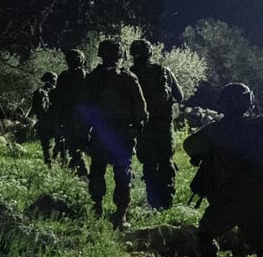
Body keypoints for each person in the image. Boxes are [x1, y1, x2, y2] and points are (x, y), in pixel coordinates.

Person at [183, 83, 263, 257]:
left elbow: (189, 146)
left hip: (228, 197)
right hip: (257, 195)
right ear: (248, 102)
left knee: (205, 234)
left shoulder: (218, 130)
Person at [82, 39, 148, 229]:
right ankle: (121, 216)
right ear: (121, 55)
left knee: (97, 171)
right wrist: (137, 128)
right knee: (123, 173)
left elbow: (85, 109)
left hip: (100, 132)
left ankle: (97, 209)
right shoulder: (128, 78)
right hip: (123, 133)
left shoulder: (93, 78)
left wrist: (83, 134)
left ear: (101, 54)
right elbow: (141, 109)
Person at [129, 38, 184, 209]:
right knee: (166, 160)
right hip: (164, 126)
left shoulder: (130, 74)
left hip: (144, 127)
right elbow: (180, 96)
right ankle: (167, 200)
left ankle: (153, 202)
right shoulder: (164, 71)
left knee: (149, 164)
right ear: (150, 52)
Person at [53, 48, 90, 175]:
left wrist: (57, 119)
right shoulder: (87, 77)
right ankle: (80, 171)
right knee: (78, 146)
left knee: (74, 147)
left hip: (69, 117)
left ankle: (79, 171)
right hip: (82, 117)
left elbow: (57, 100)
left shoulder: (64, 77)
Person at [26, 71, 62, 166]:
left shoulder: (38, 92)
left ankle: (49, 163)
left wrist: (29, 118)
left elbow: (34, 108)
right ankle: (55, 159)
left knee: (46, 145)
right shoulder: (57, 92)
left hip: (43, 122)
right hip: (54, 121)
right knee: (60, 141)